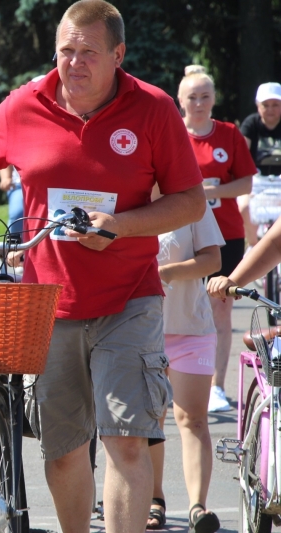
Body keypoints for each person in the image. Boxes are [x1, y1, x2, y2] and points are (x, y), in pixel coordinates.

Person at [0, 2, 207, 532]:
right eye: (66, 50)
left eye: (89, 51)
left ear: (118, 54)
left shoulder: (153, 109)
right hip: (50, 302)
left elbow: (189, 201)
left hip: (130, 298)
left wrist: (119, 225)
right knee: (63, 450)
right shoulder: (26, 104)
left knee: (125, 441)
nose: (75, 62)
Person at [174, 66, 257, 413]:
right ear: (180, 101)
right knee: (172, 310)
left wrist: (216, 190)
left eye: (205, 96)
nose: (198, 102)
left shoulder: (228, 134)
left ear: (214, 99)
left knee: (219, 310)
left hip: (225, 236)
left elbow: (247, 183)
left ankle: (216, 387)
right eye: (192, 97)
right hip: (179, 236)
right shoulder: (171, 132)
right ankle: (169, 382)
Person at [147, 193, 223, 532]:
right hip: (140, 329)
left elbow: (212, 260)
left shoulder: (192, 201)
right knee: (149, 420)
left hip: (191, 328)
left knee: (192, 419)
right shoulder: (123, 198)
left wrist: (167, 272)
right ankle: (154, 500)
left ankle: (198, 507)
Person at [238, 82, 281, 249]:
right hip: (256, 178)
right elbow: (242, 153)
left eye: (275, 105)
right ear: (258, 106)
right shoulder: (251, 123)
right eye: (265, 105)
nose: (270, 109)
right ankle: (253, 245)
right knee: (244, 207)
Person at [0, 166, 24, 235]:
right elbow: (5, 157)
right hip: (18, 184)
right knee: (17, 214)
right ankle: (13, 243)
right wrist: (6, 178)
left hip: (47, 183)